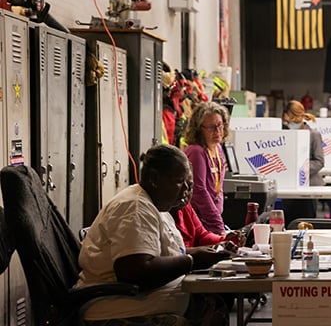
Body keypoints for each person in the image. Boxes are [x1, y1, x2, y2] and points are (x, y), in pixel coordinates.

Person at [76, 144, 231, 324]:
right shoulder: (135, 207)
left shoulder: (157, 206)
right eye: (179, 182)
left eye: (188, 185)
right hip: (117, 309)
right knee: (211, 306)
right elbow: (135, 270)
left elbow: (164, 255)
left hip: (145, 302)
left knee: (214, 301)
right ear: (154, 178)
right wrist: (192, 262)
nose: (184, 191)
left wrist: (210, 252)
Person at [183, 101, 231, 234]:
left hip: (212, 220)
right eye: (211, 127)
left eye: (220, 125)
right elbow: (199, 191)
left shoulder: (218, 148)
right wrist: (218, 225)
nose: (217, 131)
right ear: (199, 129)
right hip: (199, 223)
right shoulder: (196, 152)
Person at [281, 100, 325, 226]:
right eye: (287, 121)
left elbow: (319, 161)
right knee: (289, 224)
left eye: (292, 120)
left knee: (306, 224)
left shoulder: (314, 135)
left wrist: (300, 169)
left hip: (309, 186)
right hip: (289, 187)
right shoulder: (285, 135)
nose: (289, 123)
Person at [170, 180, 246, 249]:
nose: (185, 191)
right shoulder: (161, 214)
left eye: (190, 187)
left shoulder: (185, 207)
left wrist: (225, 240)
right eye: (179, 182)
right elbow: (176, 253)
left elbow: (201, 236)